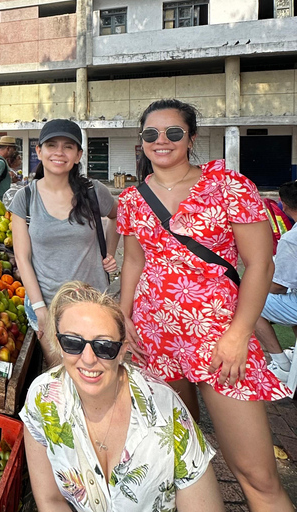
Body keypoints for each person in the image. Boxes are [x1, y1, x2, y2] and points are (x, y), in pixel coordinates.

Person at [118, 98, 292, 510]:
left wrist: (239, 334)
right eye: (151, 134)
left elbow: (260, 265)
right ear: (141, 142)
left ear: (191, 137)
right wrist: (123, 318)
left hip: (219, 338)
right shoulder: (132, 199)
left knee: (257, 474)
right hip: (154, 337)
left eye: (173, 132)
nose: (162, 141)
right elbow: (133, 262)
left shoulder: (228, 187)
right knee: (180, 459)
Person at [21, 282, 223, 512]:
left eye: (104, 346)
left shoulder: (167, 413)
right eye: (72, 343)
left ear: (122, 350)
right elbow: (50, 501)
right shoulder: (43, 398)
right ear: (58, 343)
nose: (88, 358)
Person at [9, 120, 118, 366]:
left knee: (95, 375)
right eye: (51, 145)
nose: (59, 152)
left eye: (68, 147)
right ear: (39, 151)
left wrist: (108, 253)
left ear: (78, 155)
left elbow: (118, 216)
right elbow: (22, 258)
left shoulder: (93, 191)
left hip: (94, 305)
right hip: (48, 306)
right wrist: (40, 311)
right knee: (62, 377)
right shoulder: (24, 199)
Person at [255, 180, 297, 383]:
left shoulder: (291, 238)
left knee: (250, 303)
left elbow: (279, 286)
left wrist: (256, 287)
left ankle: (281, 364)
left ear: (285, 206)